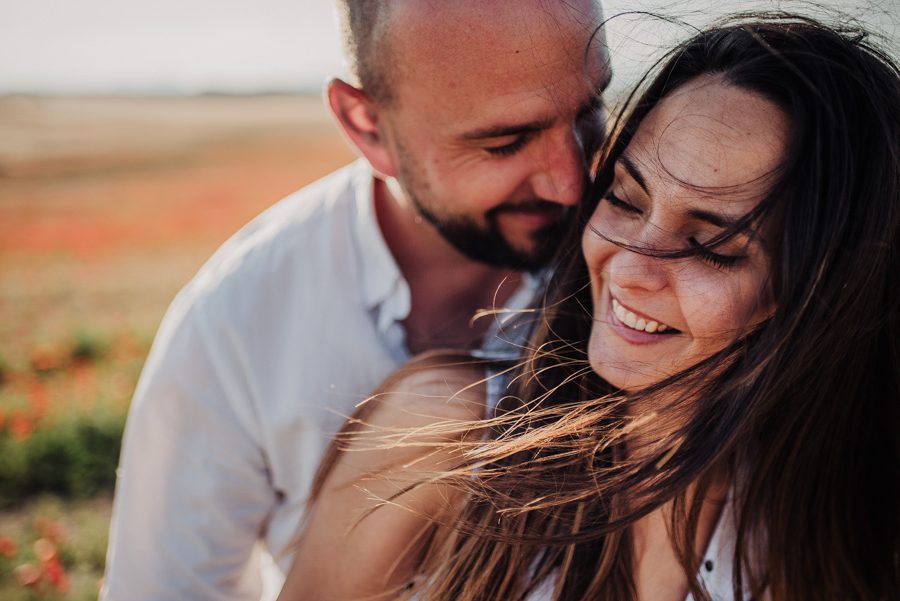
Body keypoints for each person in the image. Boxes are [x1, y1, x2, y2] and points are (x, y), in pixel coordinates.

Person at [280, 15, 900, 601]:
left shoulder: (850, 537)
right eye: (625, 200)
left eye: (709, 246)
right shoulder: (449, 437)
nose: (627, 266)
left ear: (826, 292)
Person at [101, 1, 611, 599]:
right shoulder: (237, 320)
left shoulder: (645, 267)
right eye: (504, 143)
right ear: (367, 125)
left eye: (590, 111)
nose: (572, 182)